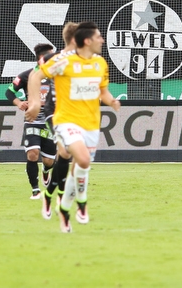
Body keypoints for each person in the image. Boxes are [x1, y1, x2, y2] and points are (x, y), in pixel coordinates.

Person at [27, 21, 121, 233]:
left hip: (89, 121)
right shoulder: (60, 59)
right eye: (97, 37)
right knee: (69, 153)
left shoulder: (98, 62)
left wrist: (112, 101)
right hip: (59, 114)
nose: (101, 40)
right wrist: (34, 102)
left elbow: (102, 90)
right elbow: (34, 75)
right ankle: (73, 201)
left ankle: (59, 199)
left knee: (76, 163)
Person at [6, 43, 57, 199]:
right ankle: (35, 189)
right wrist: (19, 103)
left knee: (48, 161)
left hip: (51, 123)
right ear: (42, 59)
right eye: (50, 57)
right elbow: (9, 91)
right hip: (32, 121)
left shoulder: (58, 75)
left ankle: (46, 171)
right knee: (33, 154)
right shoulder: (27, 75)